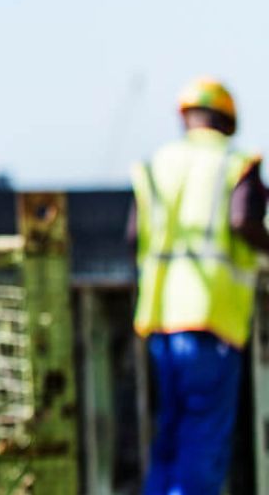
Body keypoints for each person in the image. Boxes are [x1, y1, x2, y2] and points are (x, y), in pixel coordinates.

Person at [133, 77, 269, 495]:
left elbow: (132, 235)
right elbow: (244, 221)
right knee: (203, 436)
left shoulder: (157, 165)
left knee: (170, 434)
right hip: (212, 317)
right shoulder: (234, 163)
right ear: (227, 121)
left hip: (160, 321)